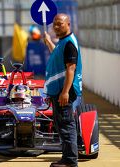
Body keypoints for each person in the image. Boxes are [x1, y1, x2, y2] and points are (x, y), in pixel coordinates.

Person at [43, 13, 82, 167]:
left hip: (63, 92)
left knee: (66, 125)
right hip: (58, 91)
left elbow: (71, 68)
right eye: (54, 24)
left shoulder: (69, 43)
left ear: (68, 24)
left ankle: (70, 161)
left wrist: (65, 92)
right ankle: (67, 158)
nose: (56, 26)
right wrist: (48, 42)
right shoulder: (62, 42)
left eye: (60, 23)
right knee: (62, 125)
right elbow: (57, 56)